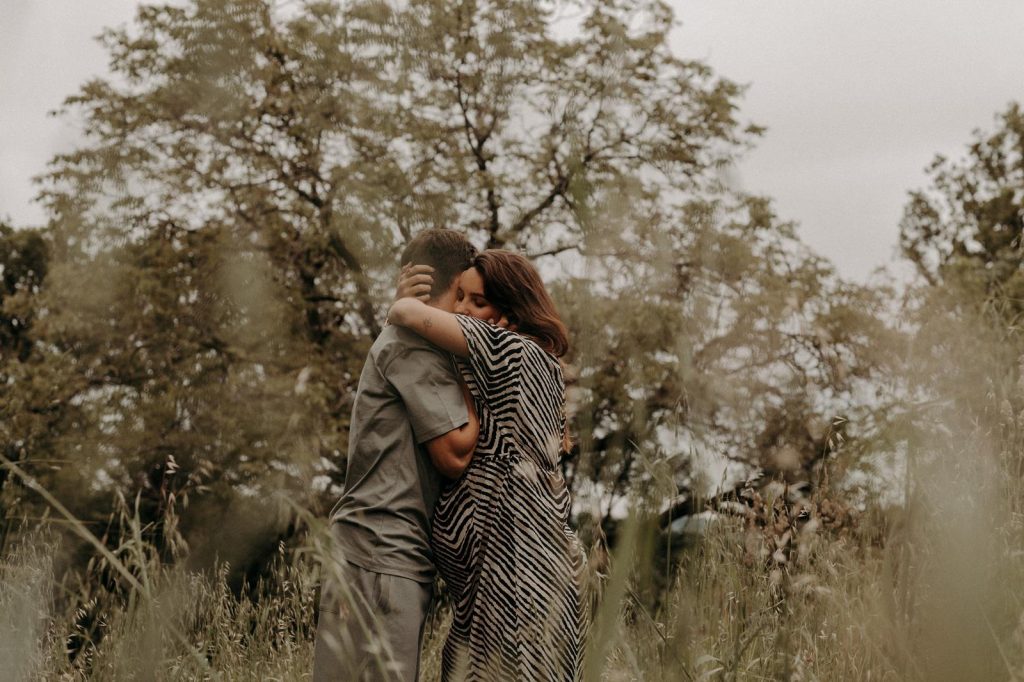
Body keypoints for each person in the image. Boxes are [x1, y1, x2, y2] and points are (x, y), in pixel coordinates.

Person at [389, 249, 588, 681]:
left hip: (520, 571)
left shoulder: (512, 351)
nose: (461, 309)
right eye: (459, 296)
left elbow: (406, 313)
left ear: (511, 313)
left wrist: (407, 296)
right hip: (495, 582)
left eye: (476, 301)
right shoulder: (501, 362)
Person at [313, 229, 480, 682]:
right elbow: (453, 456)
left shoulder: (404, 340)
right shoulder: (415, 345)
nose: (468, 312)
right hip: (384, 554)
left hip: (368, 551)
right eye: (464, 297)